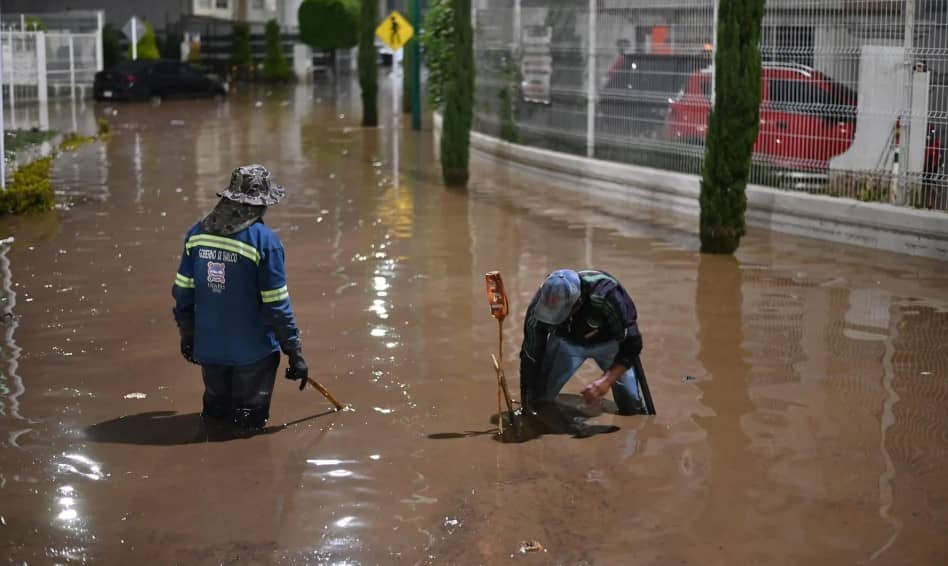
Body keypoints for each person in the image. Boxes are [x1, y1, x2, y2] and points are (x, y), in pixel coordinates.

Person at [172, 164, 308, 431]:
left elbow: (183, 292)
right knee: (248, 425)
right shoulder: (264, 242)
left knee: (214, 414)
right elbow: (276, 305)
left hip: (208, 348)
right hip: (253, 353)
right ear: (260, 205)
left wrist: (187, 334)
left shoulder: (196, 235)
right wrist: (294, 351)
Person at [519, 269, 646, 416]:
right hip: (566, 342)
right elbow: (531, 355)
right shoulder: (539, 305)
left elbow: (633, 343)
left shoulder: (606, 294)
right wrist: (527, 404)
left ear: (577, 304)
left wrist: (607, 380)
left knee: (632, 405)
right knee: (539, 398)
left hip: (610, 344)